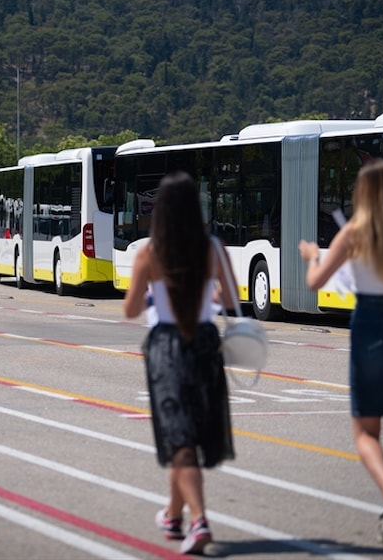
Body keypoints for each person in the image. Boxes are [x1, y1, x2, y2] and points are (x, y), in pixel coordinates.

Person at [123, 171, 236, 554]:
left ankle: (199, 519)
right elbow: (233, 300)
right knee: (188, 432)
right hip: (205, 343)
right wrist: (212, 295)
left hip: (167, 346)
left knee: (180, 436)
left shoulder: (150, 253)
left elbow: (131, 308)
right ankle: (173, 514)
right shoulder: (213, 248)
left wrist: (155, 295)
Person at [298, 158, 383, 545]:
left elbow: (315, 283)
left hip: (370, 324)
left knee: (365, 430)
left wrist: (313, 256)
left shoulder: (353, 232)